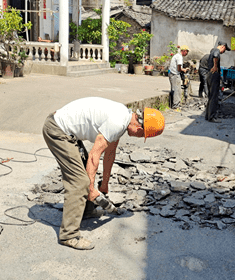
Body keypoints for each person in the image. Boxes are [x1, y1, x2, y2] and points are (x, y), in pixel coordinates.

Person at [42, 97, 165, 250]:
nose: (139, 137)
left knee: (86, 171)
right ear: (139, 128)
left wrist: (104, 185)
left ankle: (86, 211)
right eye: (141, 135)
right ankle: (69, 235)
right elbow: (95, 155)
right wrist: (92, 188)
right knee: (80, 181)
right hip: (57, 130)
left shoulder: (123, 118)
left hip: (67, 132)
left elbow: (109, 154)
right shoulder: (118, 123)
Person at [205, 41, 230, 122]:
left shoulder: (212, 50)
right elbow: (216, 56)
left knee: (211, 96)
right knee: (214, 97)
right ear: (223, 46)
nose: (224, 52)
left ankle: (207, 116)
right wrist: (215, 66)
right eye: (225, 49)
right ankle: (211, 117)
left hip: (210, 74)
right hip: (213, 75)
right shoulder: (216, 51)